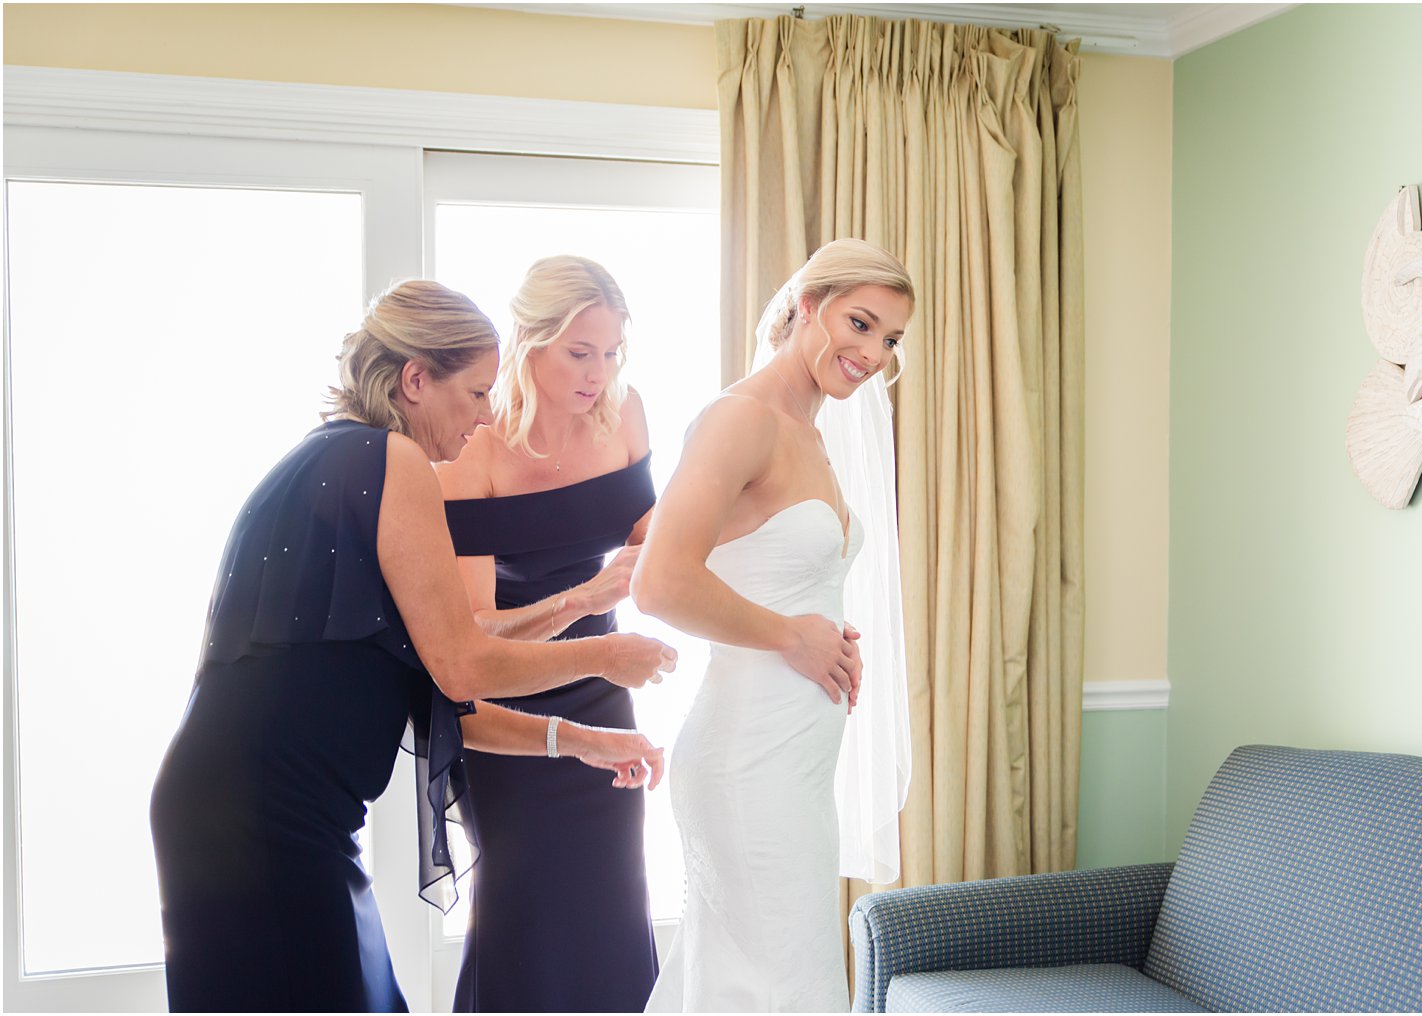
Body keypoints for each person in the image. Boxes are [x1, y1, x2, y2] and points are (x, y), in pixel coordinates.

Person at [148, 280, 676, 1013]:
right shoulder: (387, 459)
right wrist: (601, 652)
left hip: (243, 804)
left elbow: (444, 677)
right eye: (474, 394)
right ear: (416, 380)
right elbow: (465, 665)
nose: (485, 415)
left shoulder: (336, 459)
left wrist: (582, 736)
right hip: (266, 814)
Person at [634, 239, 914, 1012]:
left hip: (794, 766)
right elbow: (660, 582)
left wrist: (820, 630)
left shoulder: (811, 432)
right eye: (860, 324)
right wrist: (795, 635)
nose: (872, 353)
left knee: (758, 983)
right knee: (787, 986)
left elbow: (765, 569)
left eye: (890, 340)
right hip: (746, 762)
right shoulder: (740, 418)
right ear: (806, 305)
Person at [435, 255, 660, 1013]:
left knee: (613, 894)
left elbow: (651, 542)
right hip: (507, 705)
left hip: (605, 687)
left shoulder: (624, 413)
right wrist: (589, 594)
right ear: (528, 341)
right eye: (579, 352)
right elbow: (470, 634)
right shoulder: (474, 445)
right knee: (519, 902)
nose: (598, 372)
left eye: (610, 352)